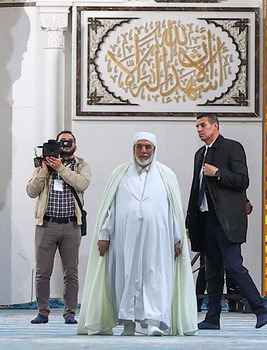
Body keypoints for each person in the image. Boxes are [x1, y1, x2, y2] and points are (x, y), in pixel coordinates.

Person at [77, 132, 197, 336]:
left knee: (155, 279)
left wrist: (177, 239)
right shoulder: (120, 173)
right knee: (125, 278)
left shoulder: (166, 175)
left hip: (158, 241)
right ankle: (128, 324)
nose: (143, 151)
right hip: (125, 241)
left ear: (154, 150)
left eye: (147, 147)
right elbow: (111, 208)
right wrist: (104, 235)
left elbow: (174, 211)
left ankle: (153, 323)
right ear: (133, 149)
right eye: (139, 147)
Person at [186, 113, 267, 330]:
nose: (199, 130)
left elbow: (243, 180)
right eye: (197, 126)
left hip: (226, 221)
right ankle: (212, 318)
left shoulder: (232, 148)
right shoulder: (199, 154)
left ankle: (260, 309)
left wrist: (218, 173)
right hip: (205, 220)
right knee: (212, 271)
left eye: (203, 125)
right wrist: (190, 222)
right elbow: (195, 191)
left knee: (233, 267)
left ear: (216, 126)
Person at [26, 130, 91, 325]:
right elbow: (31, 191)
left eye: (69, 142)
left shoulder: (81, 165)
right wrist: (44, 172)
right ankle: (42, 311)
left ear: (75, 145)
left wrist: (61, 168)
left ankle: (70, 312)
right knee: (42, 272)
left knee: (71, 272)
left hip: (71, 224)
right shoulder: (43, 164)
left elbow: (82, 183)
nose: (65, 145)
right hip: (47, 225)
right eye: (61, 142)